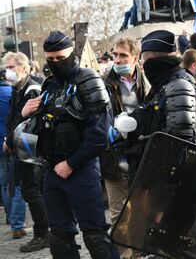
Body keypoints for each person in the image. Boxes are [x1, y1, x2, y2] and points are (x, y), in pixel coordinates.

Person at [20, 31, 118, 258]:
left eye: (60, 57)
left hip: (81, 170)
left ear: (71, 54)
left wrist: (72, 164)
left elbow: (101, 133)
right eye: (50, 58)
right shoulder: (48, 85)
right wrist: (24, 114)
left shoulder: (89, 80)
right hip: (52, 171)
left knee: (95, 236)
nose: (55, 63)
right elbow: (38, 128)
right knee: (59, 237)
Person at [126, 30, 196, 179]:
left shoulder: (179, 87)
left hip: (168, 185)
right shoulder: (164, 84)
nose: (143, 66)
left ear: (152, 61)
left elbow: (179, 148)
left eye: (144, 60)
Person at [100, 37, 149, 259]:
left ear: (135, 58)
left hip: (139, 158)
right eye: (115, 55)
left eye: (123, 56)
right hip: (112, 157)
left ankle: (138, 254)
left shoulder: (147, 83)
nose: (118, 60)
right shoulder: (103, 83)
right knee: (118, 214)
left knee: (139, 213)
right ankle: (125, 255)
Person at [3, 52, 49, 251]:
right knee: (29, 190)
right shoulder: (17, 88)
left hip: (29, 146)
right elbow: (12, 117)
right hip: (19, 145)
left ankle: (43, 234)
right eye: (7, 68)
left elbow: (29, 123)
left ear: (23, 67)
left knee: (32, 190)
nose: (8, 72)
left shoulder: (32, 89)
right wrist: (9, 138)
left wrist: (12, 139)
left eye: (12, 67)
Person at [0, 65, 27, 240]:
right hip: (11, 142)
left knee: (4, 183)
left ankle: (11, 218)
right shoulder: (10, 93)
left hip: (4, 144)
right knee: (17, 184)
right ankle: (17, 225)